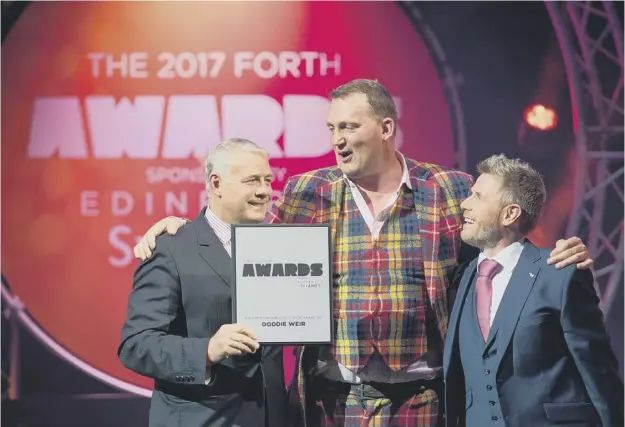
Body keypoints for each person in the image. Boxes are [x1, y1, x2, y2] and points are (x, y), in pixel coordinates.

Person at [132, 79, 593, 427]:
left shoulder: (447, 188)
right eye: (332, 127)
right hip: (331, 397)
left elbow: (503, 245)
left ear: (386, 128)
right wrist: (183, 227)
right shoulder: (307, 191)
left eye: (349, 126)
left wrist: (555, 259)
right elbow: (249, 246)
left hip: (423, 397)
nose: (336, 138)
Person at [118, 138, 288, 427]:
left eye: (267, 180)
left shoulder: (279, 245)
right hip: (202, 419)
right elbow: (136, 345)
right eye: (252, 181)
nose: (264, 191)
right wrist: (207, 350)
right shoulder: (171, 248)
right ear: (216, 184)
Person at [443, 154, 622, 427]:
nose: (464, 204)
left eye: (477, 197)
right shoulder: (461, 278)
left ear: (510, 213)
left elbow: (598, 372)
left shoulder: (559, 272)